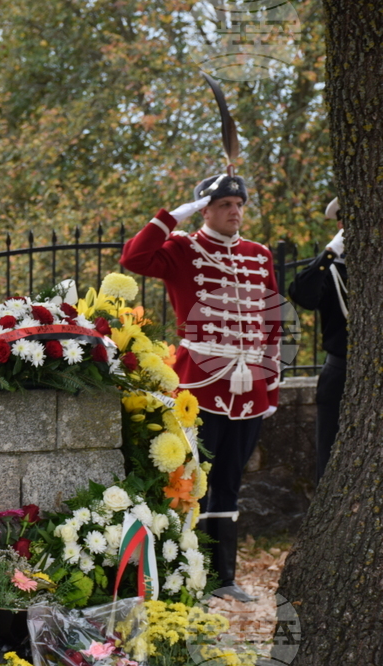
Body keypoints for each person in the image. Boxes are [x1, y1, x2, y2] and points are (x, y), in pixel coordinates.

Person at [120, 174, 281, 603]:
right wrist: (174, 217)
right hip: (199, 384)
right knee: (189, 480)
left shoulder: (259, 255)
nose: (235, 211)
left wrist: (272, 390)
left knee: (229, 481)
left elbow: (273, 325)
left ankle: (223, 577)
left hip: (249, 389)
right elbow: (134, 258)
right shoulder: (182, 249)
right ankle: (188, 575)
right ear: (205, 209)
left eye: (238, 204)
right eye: (225, 204)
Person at [288, 198, 347, 482]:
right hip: (341, 372)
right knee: (331, 456)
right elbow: (302, 295)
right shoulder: (332, 269)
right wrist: (330, 252)